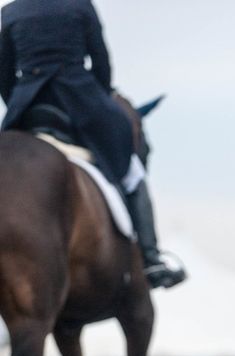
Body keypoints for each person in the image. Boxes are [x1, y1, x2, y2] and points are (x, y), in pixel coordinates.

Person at [0, 0, 185, 290]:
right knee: (131, 170)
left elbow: (5, 73)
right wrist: (97, 99)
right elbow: (101, 61)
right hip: (79, 97)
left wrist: (19, 105)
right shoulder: (79, 5)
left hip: (28, 104)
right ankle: (151, 258)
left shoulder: (10, 12)